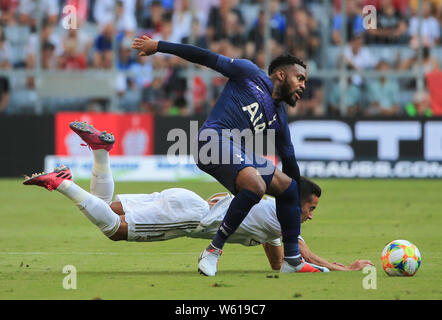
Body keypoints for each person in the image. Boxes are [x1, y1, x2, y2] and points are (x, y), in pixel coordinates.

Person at [23, 121, 373, 273]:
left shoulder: (269, 217)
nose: (310, 216)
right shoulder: (283, 216)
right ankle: (63, 183)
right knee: (113, 229)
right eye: (310, 208)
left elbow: (279, 262)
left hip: (185, 199)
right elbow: (305, 256)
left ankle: (100, 152)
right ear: (296, 204)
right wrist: (347, 268)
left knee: (109, 205)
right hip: (190, 217)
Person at [131, 34, 313, 276]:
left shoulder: (280, 118)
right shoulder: (250, 74)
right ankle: (213, 251)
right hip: (210, 140)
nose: (303, 86)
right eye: (299, 78)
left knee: (288, 187)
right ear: (281, 74)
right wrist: (159, 46)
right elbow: (205, 57)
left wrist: (297, 200)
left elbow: (289, 160)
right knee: (255, 185)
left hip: (236, 150)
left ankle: (292, 260)